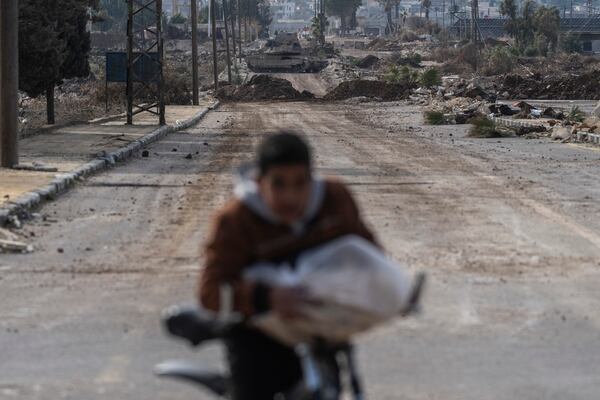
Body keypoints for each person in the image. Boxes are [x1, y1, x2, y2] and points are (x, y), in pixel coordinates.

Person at [197, 131, 377, 400]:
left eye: (300, 183)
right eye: (279, 184)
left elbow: (369, 255)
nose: (290, 196)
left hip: (319, 329)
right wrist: (266, 297)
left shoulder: (334, 201)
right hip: (257, 337)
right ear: (260, 182)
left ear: (311, 179)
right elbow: (210, 291)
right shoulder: (235, 220)